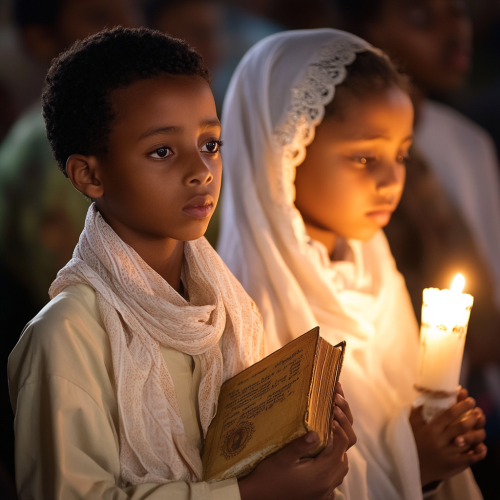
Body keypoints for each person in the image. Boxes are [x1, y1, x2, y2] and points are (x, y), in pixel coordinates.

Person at [8, 27, 355, 499]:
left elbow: (252, 455)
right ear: (89, 175)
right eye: (162, 151)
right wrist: (250, 493)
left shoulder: (228, 309)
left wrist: (310, 452)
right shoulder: (66, 337)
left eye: (210, 144)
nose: (200, 171)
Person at [218, 28, 487, 499]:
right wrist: (416, 466)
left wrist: (442, 430)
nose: (391, 180)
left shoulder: (376, 274)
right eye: (365, 157)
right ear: (283, 155)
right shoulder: (249, 313)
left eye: (401, 154)